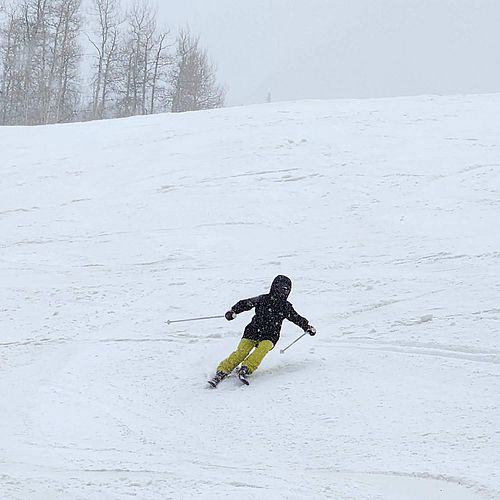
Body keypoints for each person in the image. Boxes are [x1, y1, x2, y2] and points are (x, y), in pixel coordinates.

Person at [209, 275, 316, 387]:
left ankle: (246, 368)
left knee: (262, 350)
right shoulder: (263, 299)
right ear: (275, 287)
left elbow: (296, 318)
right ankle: (223, 370)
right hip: (253, 330)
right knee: (241, 352)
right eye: (281, 288)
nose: (284, 292)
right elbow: (246, 303)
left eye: (287, 289)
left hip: (270, 335)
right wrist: (233, 311)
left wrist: (307, 326)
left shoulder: (285, 306)